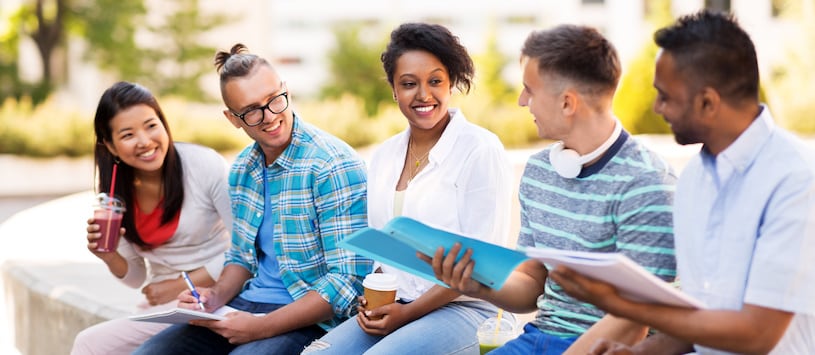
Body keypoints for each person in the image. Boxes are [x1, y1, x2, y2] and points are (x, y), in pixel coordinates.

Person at [550, 10, 815, 354]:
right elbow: (700, 316)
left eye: (665, 96)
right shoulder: (693, 179)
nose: (657, 108)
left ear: (708, 102)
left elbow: (757, 334)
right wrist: (640, 352)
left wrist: (618, 303)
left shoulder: (795, 180)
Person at [425, 24, 678, 354]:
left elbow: (634, 322)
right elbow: (532, 282)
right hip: (539, 337)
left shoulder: (648, 183)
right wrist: (479, 285)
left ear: (567, 103)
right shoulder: (540, 170)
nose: (521, 101)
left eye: (530, 90)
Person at [132, 44, 372, 355]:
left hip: (312, 318)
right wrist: (213, 297)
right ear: (233, 119)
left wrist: (259, 328)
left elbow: (347, 283)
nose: (269, 117)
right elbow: (242, 259)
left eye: (275, 100)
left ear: (285, 90)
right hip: (245, 305)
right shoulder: (243, 169)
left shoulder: (332, 165)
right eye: (251, 111)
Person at [302, 22, 514, 355]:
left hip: (466, 308)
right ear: (394, 89)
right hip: (398, 303)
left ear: (451, 83)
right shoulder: (384, 155)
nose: (424, 95)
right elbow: (382, 250)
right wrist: (374, 301)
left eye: (435, 81)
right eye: (409, 84)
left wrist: (407, 314)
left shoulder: (480, 150)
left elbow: (481, 266)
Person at [71, 81, 232, 354]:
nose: (145, 141)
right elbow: (135, 277)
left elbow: (247, 245)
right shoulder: (113, 194)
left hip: (223, 292)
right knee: (88, 343)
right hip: (165, 307)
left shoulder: (204, 166)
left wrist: (182, 285)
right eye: (128, 134)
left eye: (151, 125)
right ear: (109, 146)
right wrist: (109, 256)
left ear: (163, 124)